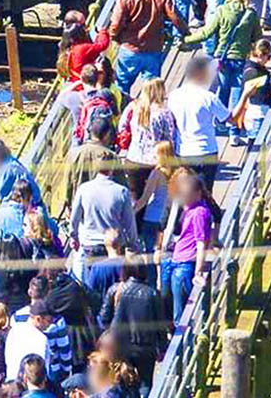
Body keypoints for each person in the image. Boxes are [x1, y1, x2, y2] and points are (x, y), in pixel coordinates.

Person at [183, 0, 260, 144]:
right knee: (237, 94)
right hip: (240, 59)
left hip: (222, 59)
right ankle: (235, 132)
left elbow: (206, 32)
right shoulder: (251, 14)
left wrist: (187, 39)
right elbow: (257, 37)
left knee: (222, 90)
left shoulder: (222, 11)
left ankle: (219, 122)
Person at [107, 0, 172, 94]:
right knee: (152, 89)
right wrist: (185, 33)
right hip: (153, 48)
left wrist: (115, 37)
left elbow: (115, 25)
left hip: (130, 48)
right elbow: (173, 16)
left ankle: (123, 112)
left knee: (122, 86)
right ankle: (149, 113)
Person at [103, 261, 167, 393]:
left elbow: (115, 323)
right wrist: (162, 347)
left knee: (127, 380)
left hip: (125, 347)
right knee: (146, 382)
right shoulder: (152, 293)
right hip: (147, 347)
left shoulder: (123, 292)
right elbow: (160, 323)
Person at [167, 55, 230, 186]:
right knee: (206, 191)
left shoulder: (173, 96)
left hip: (183, 150)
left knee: (185, 190)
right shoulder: (208, 97)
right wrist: (245, 96)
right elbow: (228, 118)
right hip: (206, 150)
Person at [71, 155, 140, 269]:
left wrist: (74, 236)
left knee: (93, 283)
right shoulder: (121, 191)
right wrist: (133, 243)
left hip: (91, 245)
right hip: (115, 245)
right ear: (112, 168)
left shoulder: (84, 189)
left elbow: (75, 217)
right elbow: (129, 222)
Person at [166, 170, 215, 327]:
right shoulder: (190, 209)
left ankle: (180, 346)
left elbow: (201, 243)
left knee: (181, 313)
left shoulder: (200, 212)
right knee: (172, 306)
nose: (184, 199)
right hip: (177, 260)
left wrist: (198, 271)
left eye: (187, 195)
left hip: (185, 264)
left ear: (198, 193)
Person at [116, 78, 173, 202]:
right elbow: (170, 136)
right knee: (155, 198)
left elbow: (121, 127)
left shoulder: (133, 106)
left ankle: (134, 220)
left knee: (134, 197)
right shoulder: (164, 113)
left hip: (133, 158)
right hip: (156, 160)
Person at [65, 115, 125, 207]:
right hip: (103, 209)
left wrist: (68, 203)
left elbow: (68, 183)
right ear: (107, 134)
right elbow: (121, 186)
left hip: (79, 206)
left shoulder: (73, 154)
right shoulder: (111, 157)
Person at [133, 141, 177, 253]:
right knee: (164, 252)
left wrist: (132, 212)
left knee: (150, 254)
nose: (153, 156)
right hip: (167, 215)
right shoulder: (177, 172)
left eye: (156, 154)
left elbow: (145, 198)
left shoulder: (156, 173)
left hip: (152, 217)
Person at [232, 39, 271, 143]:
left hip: (254, 114)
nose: (268, 60)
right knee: (255, 148)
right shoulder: (254, 73)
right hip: (257, 115)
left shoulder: (252, 68)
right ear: (260, 54)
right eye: (268, 57)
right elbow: (263, 94)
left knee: (256, 147)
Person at [0, 139, 42, 208]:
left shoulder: (8, 168)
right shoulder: (10, 161)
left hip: (31, 206)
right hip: (31, 203)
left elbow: (2, 194)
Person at [58, 9, 110, 82]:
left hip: (73, 80)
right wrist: (102, 31)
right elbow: (102, 45)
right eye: (83, 25)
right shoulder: (82, 48)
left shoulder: (66, 45)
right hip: (83, 82)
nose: (86, 27)